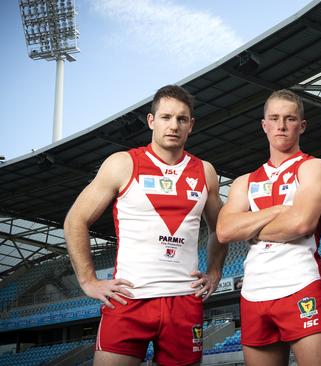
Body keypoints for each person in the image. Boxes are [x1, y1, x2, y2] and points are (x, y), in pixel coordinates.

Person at [64, 85, 227, 366]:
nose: (173, 125)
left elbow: (221, 229)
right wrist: (88, 281)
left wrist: (214, 272)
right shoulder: (123, 164)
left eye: (181, 119)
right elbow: (75, 220)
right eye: (165, 117)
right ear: (151, 121)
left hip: (183, 301)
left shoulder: (205, 171)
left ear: (191, 125)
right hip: (129, 299)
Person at [216, 90, 321, 366]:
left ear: (301, 125)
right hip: (254, 292)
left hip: (301, 284)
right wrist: (278, 211)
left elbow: (302, 222)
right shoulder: (244, 182)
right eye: (275, 118)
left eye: (290, 119)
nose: (281, 125)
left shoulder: (313, 167)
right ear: (264, 125)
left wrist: (248, 225)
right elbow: (224, 231)